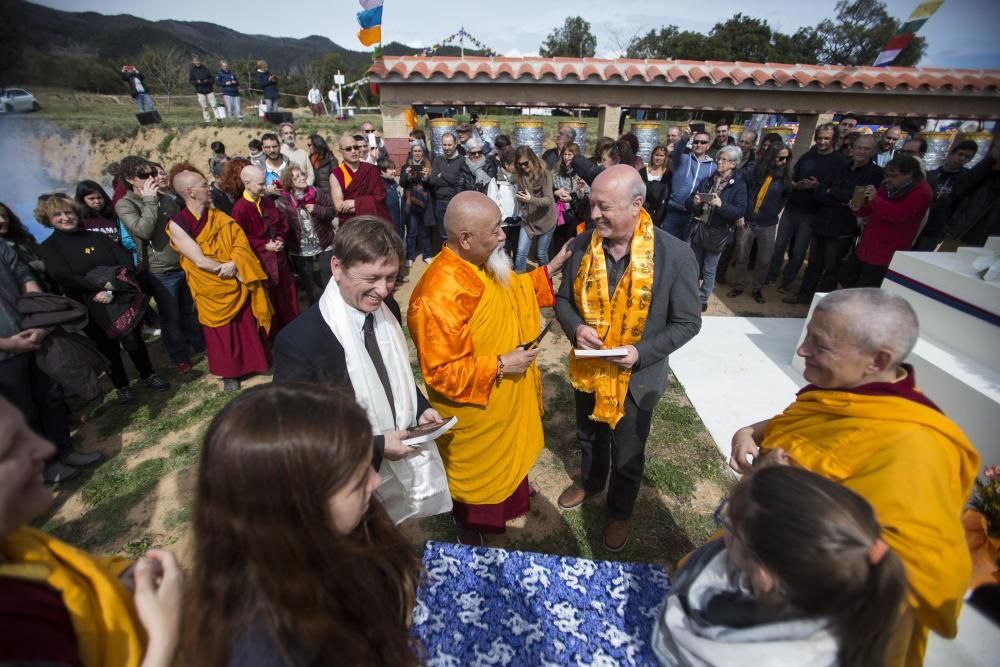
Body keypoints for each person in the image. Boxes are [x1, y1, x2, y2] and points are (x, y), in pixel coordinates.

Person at [729, 288, 979, 665]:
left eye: (820, 344)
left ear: (877, 360)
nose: (802, 351)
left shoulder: (916, 446)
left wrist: (779, 491)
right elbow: (797, 425)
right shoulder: (848, 397)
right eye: (807, 335)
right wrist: (750, 431)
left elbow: (911, 578)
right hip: (757, 566)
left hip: (811, 627)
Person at [183, 384, 422, 665]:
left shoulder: (352, 532)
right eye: (357, 480)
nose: (376, 481)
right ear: (295, 507)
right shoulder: (270, 649)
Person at [407, 191, 573, 545]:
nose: (503, 236)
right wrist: (501, 363)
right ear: (464, 239)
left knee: (504, 474)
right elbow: (442, 372)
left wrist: (551, 269)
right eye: (496, 230)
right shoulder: (438, 294)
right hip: (477, 410)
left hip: (503, 403)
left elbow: (512, 289)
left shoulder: (480, 264)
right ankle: (469, 529)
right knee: (477, 490)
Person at [555, 165, 701, 552]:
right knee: (589, 435)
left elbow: (688, 322)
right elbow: (563, 300)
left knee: (629, 451)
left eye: (604, 207)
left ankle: (619, 511)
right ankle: (590, 481)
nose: (594, 215)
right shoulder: (584, 245)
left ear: (637, 205)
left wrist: (640, 353)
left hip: (636, 378)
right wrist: (576, 329)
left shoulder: (675, 254)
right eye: (592, 206)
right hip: (589, 367)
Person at [273, 218, 451, 522]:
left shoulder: (385, 308)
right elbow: (295, 432)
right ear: (337, 268)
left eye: (391, 277)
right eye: (371, 278)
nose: (382, 290)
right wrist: (377, 445)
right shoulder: (300, 341)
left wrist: (419, 408)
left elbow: (395, 374)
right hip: (348, 483)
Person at [652, 465, 908, 667]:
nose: (724, 524)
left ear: (764, 575)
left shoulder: (758, 657)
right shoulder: (825, 592)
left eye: (730, 523)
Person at [0, 397, 184, 666]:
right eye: (9, 447)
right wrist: (164, 637)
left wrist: (117, 584)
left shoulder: (15, 544)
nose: (43, 447)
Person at [36, 195, 170, 404]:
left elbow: (124, 260)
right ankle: (122, 385)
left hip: (119, 296)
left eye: (68, 212)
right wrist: (97, 288)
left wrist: (113, 287)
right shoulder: (50, 247)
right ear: (47, 219)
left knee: (133, 339)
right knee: (107, 346)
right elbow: (63, 276)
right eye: (58, 215)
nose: (65, 217)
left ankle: (148, 374)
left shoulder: (97, 238)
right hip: (87, 304)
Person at [166, 170, 272, 392]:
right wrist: (233, 270)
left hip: (233, 275)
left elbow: (239, 242)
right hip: (211, 283)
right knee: (221, 331)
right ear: (190, 192)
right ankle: (230, 373)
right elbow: (199, 261)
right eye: (204, 185)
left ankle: (255, 362)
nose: (209, 188)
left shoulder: (219, 216)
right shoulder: (177, 224)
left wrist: (235, 262)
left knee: (245, 322)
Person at [116, 156, 204, 373]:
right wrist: (149, 201)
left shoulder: (166, 198)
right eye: (144, 175)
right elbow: (142, 231)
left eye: (153, 173)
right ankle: (179, 357)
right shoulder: (125, 204)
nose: (152, 179)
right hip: (159, 270)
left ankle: (200, 345)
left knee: (190, 310)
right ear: (129, 179)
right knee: (170, 317)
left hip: (183, 261)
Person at [784, 134, 882, 304]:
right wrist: (839, 196)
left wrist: (833, 192)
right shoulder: (840, 167)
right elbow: (820, 191)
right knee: (813, 264)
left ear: (872, 151)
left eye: (866, 149)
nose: (861, 151)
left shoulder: (875, 174)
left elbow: (859, 200)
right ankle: (804, 296)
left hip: (843, 228)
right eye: (859, 147)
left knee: (832, 268)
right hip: (822, 222)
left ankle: (823, 304)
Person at [766, 123, 844, 290]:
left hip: (812, 213)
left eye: (827, 138)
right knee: (779, 246)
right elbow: (791, 175)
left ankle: (787, 281)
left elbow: (835, 189)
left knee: (799, 251)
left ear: (834, 140)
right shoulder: (809, 155)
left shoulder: (838, 161)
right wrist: (796, 184)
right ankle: (771, 276)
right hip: (792, 207)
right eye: (820, 137)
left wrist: (817, 186)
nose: (822, 141)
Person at [839, 156, 932, 288]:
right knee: (847, 278)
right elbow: (870, 210)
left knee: (865, 290)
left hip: (886, 252)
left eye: (894, 176)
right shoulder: (887, 186)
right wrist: (858, 208)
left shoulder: (922, 192)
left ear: (909, 174)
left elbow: (899, 215)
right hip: (867, 245)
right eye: (887, 175)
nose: (888, 179)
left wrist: (875, 199)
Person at [230, 166, 298, 336]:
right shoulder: (240, 209)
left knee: (288, 298)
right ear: (247, 183)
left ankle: (294, 331)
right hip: (260, 263)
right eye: (261, 184)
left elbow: (282, 223)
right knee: (270, 302)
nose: (264, 187)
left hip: (279, 258)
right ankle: (275, 337)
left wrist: (281, 239)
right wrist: (263, 245)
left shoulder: (267, 201)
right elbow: (240, 239)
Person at [729, 142, 792, 304]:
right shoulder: (755, 171)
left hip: (768, 224)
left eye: (787, 158)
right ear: (771, 157)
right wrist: (741, 211)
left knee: (764, 259)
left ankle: (757, 289)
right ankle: (739, 286)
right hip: (748, 221)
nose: (784, 162)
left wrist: (775, 209)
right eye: (781, 158)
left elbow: (786, 195)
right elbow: (740, 183)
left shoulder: (784, 177)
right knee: (742, 256)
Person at [688, 145, 748, 312]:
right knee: (694, 265)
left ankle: (703, 298)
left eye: (723, 160)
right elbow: (690, 201)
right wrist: (695, 201)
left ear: (733, 164)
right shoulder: (708, 180)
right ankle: (692, 295)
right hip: (700, 227)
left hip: (718, 232)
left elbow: (740, 210)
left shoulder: (738, 185)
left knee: (709, 268)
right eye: (719, 159)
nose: (719, 162)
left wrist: (721, 205)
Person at [277, 164, 336, 304]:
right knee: (308, 279)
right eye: (296, 177)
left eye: (302, 174)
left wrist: (316, 209)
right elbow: (282, 224)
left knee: (328, 274)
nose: (302, 178)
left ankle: (332, 303)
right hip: (300, 248)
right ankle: (314, 306)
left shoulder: (316, 193)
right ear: (289, 182)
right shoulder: (284, 201)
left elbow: (332, 212)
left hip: (324, 241)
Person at [913, 139, 978, 251]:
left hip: (937, 229)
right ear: (951, 153)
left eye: (967, 157)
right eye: (960, 154)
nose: (962, 158)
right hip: (919, 222)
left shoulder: (966, 180)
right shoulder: (932, 174)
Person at [944, 139, 1000, 248]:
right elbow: (959, 189)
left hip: (992, 243)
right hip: (961, 233)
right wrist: (989, 159)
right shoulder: (986, 170)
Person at [664, 131, 716, 241]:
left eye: (703, 142)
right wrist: (684, 139)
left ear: (708, 145)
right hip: (674, 209)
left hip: (693, 214)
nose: (699, 144)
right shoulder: (683, 159)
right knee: (667, 245)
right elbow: (676, 152)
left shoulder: (713, 166)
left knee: (686, 249)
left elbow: (714, 188)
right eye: (696, 142)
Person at [513, 146, 556, 273]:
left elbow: (548, 200)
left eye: (525, 163)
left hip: (546, 220)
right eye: (519, 164)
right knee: (520, 253)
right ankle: (519, 283)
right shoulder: (521, 176)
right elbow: (522, 198)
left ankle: (545, 282)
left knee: (541, 254)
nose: (523, 167)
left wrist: (530, 199)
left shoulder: (545, 174)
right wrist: (521, 201)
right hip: (528, 221)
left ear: (533, 159)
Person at [330, 133, 391, 223]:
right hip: (351, 224)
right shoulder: (336, 175)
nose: (353, 151)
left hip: (373, 222)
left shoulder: (371, 169)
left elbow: (381, 197)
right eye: (348, 149)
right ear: (340, 152)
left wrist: (355, 203)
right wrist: (365, 206)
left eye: (356, 147)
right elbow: (340, 206)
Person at [429, 132, 472, 249]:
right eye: (444, 145)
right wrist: (450, 178)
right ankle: (447, 256)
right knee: (443, 234)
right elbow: (432, 180)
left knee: (457, 232)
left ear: (456, 144)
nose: (447, 148)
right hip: (440, 202)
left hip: (455, 202)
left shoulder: (462, 160)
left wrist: (441, 174)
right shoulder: (438, 160)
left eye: (449, 145)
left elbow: (458, 181)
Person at [399, 141, 433, 265]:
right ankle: (410, 256)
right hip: (411, 204)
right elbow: (402, 183)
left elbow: (431, 185)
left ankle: (427, 254)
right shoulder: (405, 166)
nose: (417, 153)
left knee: (425, 232)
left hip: (425, 204)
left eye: (419, 151)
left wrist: (425, 177)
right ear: (411, 153)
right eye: (415, 151)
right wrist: (407, 175)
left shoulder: (428, 166)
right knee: (412, 232)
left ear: (423, 152)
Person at [640, 144, 670, 226]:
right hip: (642, 207)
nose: (658, 158)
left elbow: (666, 195)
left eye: (661, 156)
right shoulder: (643, 171)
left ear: (665, 158)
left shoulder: (668, 174)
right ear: (652, 156)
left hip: (657, 210)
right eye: (656, 155)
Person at [307, 134, 338, 200]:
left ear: (316, 144)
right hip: (316, 197)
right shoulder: (309, 159)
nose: (308, 147)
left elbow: (336, 181)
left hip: (330, 197)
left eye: (309, 145)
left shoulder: (331, 159)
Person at [189, 54, 216, 124]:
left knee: (214, 105)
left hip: (209, 90)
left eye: (198, 61)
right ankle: (207, 120)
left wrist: (207, 81)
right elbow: (191, 81)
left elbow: (213, 79)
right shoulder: (192, 71)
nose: (197, 62)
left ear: (200, 61)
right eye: (195, 61)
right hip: (200, 91)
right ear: (193, 62)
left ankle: (218, 119)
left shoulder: (206, 69)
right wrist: (197, 82)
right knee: (204, 107)